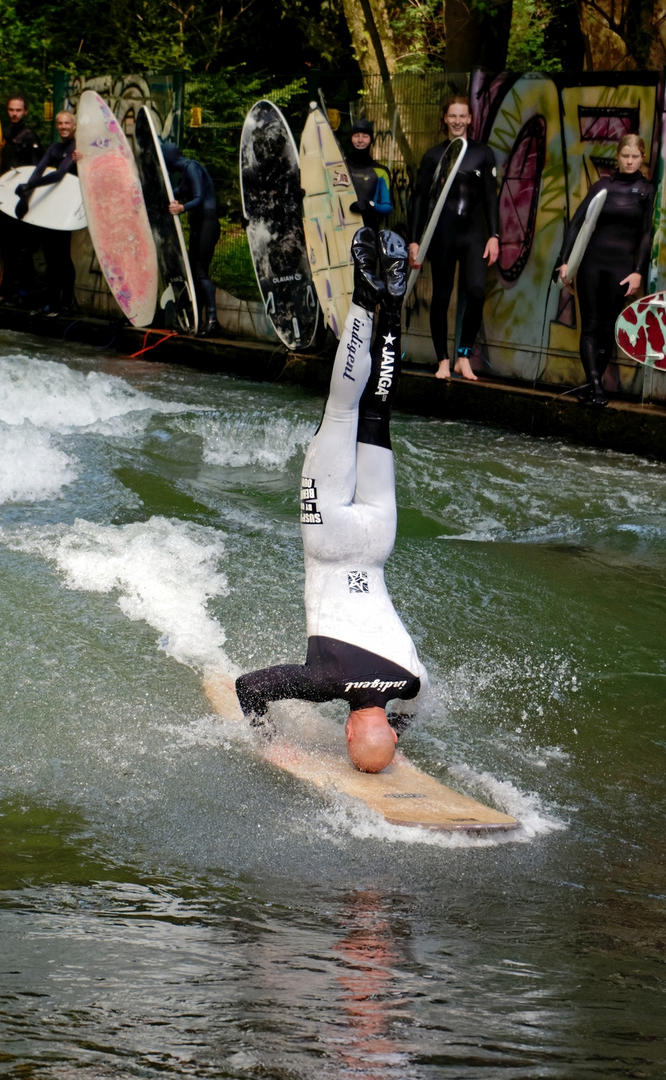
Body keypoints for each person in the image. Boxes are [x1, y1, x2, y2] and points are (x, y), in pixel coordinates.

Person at [235, 227, 424, 774]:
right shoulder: (321, 683)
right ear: (346, 732)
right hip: (329, 539)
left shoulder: (410, 678)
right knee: (340, 413)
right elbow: (249, 688)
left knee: (376, 411)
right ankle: (364, 301)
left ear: (383, 723)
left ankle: (388, 304)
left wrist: (397, 732)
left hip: (376, 540)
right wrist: (268, 743)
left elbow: (415, 703)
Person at [555, 133, 655, 407]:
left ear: (642, 157)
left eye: (635, 157)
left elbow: (646, 234)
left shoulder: (646, 190)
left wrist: (638, 271)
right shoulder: (602, 186)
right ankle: (597, 386)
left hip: (621, 267)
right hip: (592, 263)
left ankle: (590, 385)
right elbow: (576, 223)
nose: (630, 161)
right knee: (589, 326)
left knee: (607, 328)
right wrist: (565, 260)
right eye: (625, 156)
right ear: (618, 157)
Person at [408, 96, 499, 382]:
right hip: (443, 234)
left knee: (476, 291)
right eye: (452, 116)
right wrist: (414, 239)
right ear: (445, 118)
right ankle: (443, 361)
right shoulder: (433, 156)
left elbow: (489, 198)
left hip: (473, 235)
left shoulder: (482, 154)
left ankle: (463, 356)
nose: (458, 121)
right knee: (442, 296)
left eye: (463, 116)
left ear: (471, 119)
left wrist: (494, 235)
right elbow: (419, 199)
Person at [16, 110, 78, 314]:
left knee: (63, 257)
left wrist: (29, 185)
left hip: (68, 210)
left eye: (67, 123)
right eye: (60, 123)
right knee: (51, 257)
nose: (63, 127)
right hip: (52, 208)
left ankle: (67, 302)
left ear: (74, 125)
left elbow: (59, 175)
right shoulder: (54, 148)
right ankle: (52, 302)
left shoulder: (76, 148)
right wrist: (26, 195)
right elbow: (37, 171)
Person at [163, 142, 220, 336]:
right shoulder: (184, 173)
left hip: (207, 223)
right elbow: (175, 193)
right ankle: (198, 318)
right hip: (199, 225)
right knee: (195, 274)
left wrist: (182, 208)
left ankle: (213, 320)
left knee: (200, 272)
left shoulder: (191, 167)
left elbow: (199, 197)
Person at [0, 94, 42, 305]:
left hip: (21, 199)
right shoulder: (4, 133)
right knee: (6, 247)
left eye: (18, 110)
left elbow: (35, 171)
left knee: (23, 249)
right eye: (11, 110)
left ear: (25, 111)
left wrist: (26, 199)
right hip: (4, 197)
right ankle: (6, 290)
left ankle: (26, 293)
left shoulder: (30, 137)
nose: (14, 114)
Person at [343, 118, 393, 229]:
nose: (360, 140)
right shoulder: (340, 168)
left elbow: (387, 206)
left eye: (365, 136)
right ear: (351, 138)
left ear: (371, 140)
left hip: (369, 230)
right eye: (356, 135)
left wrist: (369, 205)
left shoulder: (381, 171)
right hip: (341, 229)